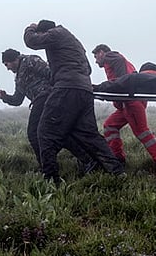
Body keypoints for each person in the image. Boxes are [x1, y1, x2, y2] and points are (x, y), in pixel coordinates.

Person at [23, 20, 126, 184]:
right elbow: (89, 69)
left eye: (42, 34)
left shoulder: (56, 33)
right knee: (89, 135)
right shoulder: (74, 42)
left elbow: (31, 41)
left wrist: (31, 28)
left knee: (44, 132)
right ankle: (117, 171)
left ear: (45, 32)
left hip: (66, 89)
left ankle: (51, 179)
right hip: (84, 91)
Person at [0, 48, 97, 174]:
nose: (7, 68)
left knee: (33, 132)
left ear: (14, 59)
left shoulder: (30, 61)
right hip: (40, 101)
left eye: (7, 64)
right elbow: (17, 100)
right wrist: (5, 97)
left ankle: (46, 167)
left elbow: (51, 74)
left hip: (47, 97)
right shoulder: (18, 78)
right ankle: (87, 160)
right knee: (57, 133)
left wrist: (62, 93)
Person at [91, 44, 156, 176]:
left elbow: (122, 82)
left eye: (96, 56)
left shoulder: (111, 57)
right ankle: (118, 158)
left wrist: (99, 88)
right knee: (110, 126)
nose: (96, 61)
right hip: (127, 103)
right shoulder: (118, 61)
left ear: (102, 52)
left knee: (142, 132)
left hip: (131, 103)